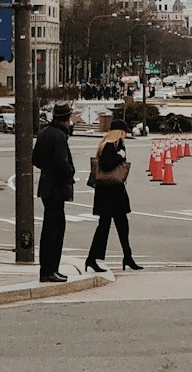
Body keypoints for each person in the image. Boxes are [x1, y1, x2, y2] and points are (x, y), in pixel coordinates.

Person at [85, 122, 141, 273]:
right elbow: (106, 164)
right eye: (124, 131)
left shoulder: (108, 143)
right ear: (120, 132)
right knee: (107, 227)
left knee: (118, 225)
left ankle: (127, 256)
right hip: (111, 193)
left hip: (109, 192)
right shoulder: (111, 145)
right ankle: (93, 258)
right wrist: (120, 156)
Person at [32, 102, 76, 282]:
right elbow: (62, 163)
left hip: (46, 185)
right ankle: (51, 269)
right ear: (65, 118)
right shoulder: (59, 136)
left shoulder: (44, 134)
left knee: (49, 228)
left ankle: (47, 269)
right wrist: (69, 173)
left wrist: (47, 168)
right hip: (57, 186)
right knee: (56, 230)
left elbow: (35, 159)